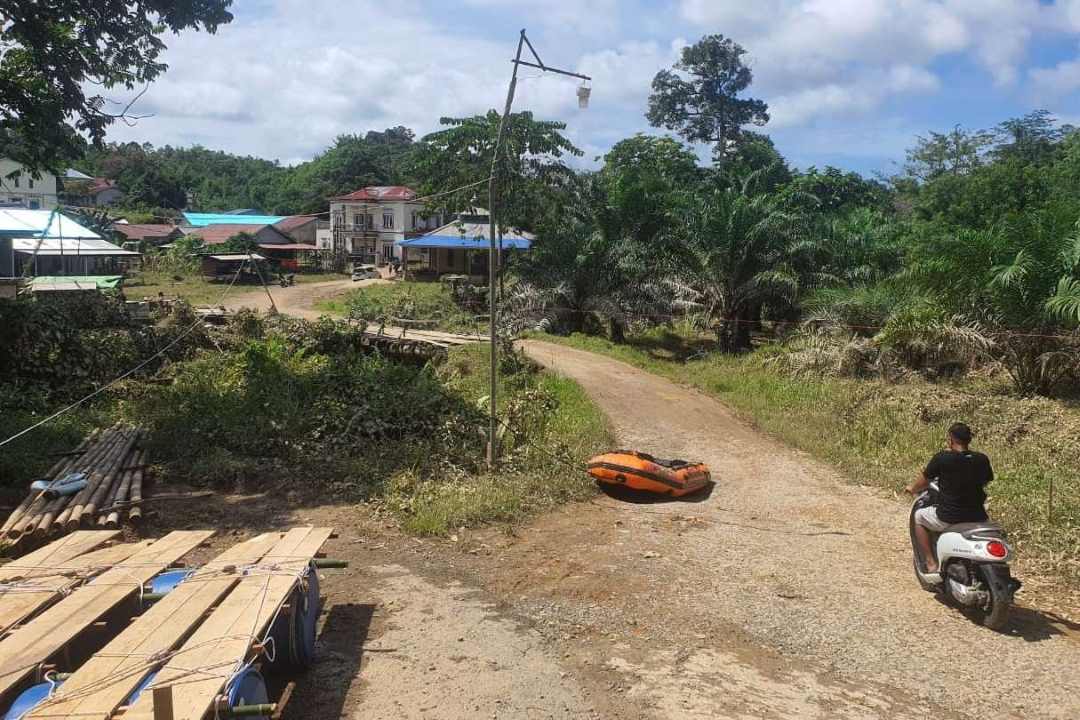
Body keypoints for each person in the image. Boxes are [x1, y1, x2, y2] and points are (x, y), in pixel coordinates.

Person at [905, 422, 994, 574]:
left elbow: (923, 482)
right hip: (978, 517)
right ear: (969, 440)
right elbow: (985, 480)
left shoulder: (943, 458)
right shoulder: (982, 459)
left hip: (949, 517)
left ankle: (930, 562)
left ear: (951, 439)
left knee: (919, 517)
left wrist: (912, 489)